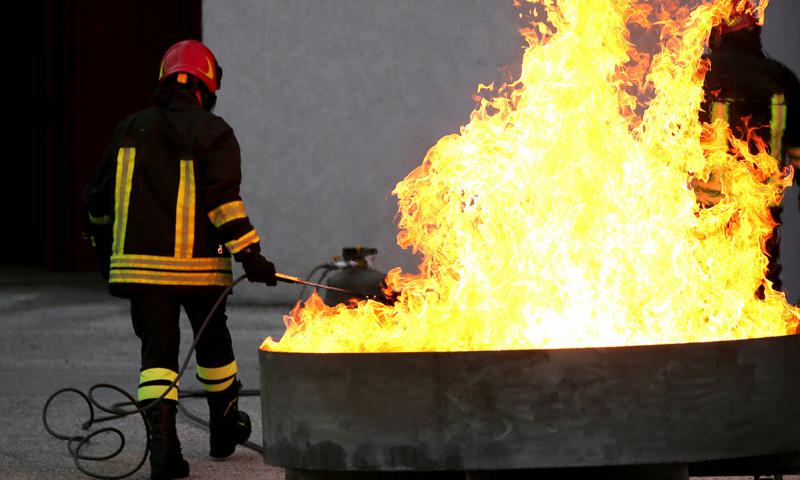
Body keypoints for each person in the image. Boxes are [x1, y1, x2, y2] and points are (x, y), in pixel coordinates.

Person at [83, 39, 277, 480]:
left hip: (141, 270)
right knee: (213, 346)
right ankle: (224, 427)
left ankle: (163, 451)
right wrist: (253, 256)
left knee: (158, 354)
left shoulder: (129, 129)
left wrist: (105, 253)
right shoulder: (214, 132)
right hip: (200, 270)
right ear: (207, 86)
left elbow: (96, 200)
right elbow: (223, 204)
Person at [692, 0, 799, 292]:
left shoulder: (700, 75)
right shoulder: (778, 79)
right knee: (760, 279)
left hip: (709, 204)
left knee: (706, 283)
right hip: (763, 204)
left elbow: (673, 141)